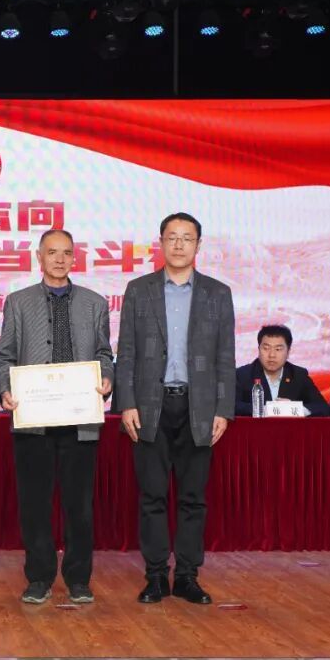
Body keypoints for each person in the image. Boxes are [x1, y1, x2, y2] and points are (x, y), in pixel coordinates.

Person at [116, 212, 235, 605]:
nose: (179, 244)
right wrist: (127, 403)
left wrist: (223, 409)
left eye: (187, 238)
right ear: (161, 243)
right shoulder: (139, 290)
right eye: (172, 237)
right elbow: (126, 353)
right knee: (152, 496)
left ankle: (186, 576)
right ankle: (155, 576)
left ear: (198, 245)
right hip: (150, 407)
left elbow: (225, 357)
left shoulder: (218, 293)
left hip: (198, 408)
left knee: (192, 498)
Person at [0, 229, 114, 605]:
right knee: (34, 504)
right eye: (52, 252)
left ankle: (78, 578)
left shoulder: (95, 304)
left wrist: (107, 378)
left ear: (74, 258)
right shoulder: (18, 302)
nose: (59, 259)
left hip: (81, 419)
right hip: (34, 419)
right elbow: (5, 356)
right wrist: (5, 389)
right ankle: (39, 577)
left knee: (80, 506)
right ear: (39, 257)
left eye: (66, 253)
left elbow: (104, 354)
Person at [234, 325, 328, 416]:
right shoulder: (242, 375)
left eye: (278, 349)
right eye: (266, 348)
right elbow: (233, 406)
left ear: (288, 352)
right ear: (259, 349)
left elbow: (323, 407)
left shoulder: (298, 375)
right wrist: (266, 410)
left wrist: (294, 409)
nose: (272, 355)